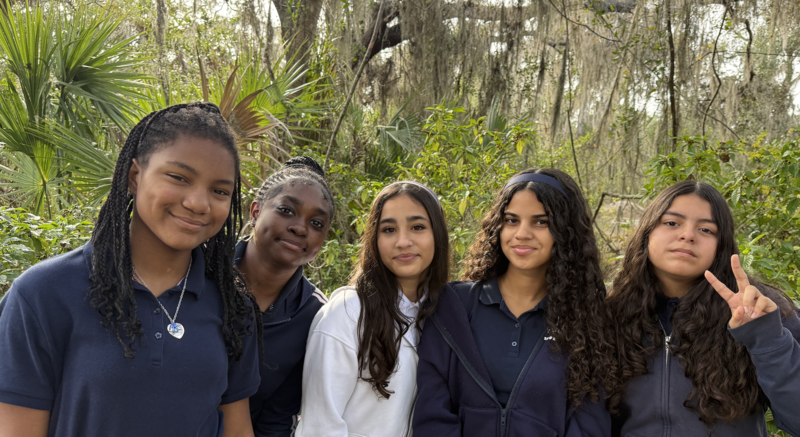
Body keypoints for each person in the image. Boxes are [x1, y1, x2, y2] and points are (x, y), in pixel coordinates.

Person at [0, 103, 261, 437]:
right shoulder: (43, 295)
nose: (199, 203)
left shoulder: (233, 307)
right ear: (135, 176)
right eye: (179, 178)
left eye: (219, 191)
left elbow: (236, 429)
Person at [414, 169, 613, 437]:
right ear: (498, 226)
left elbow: (589, 425)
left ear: (566, 232)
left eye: (540, 222)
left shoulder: (586, 320)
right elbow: (432, 412)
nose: (522, 233)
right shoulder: (455, 306)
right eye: (512, 220)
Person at [606, 180, 800, 436]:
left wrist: (766, 338)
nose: (688, 235)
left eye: (706, 229)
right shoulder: (612, 315)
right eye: (672, 223)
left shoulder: (760, 310)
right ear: (647, 233)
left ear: (722, 245)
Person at [294, 181, 450, 437]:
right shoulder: (349, 312)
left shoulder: (442, 314)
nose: (402, 241)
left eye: (418, 227)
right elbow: (320, 427)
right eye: (388, 229)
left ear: (438, 234)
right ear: (374, 239)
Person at [235, 156, 333, 437]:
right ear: (255, 211)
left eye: (316, 223)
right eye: (286, 210)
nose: (300, 228)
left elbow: (277, 418)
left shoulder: (315, 316)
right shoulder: (199, 275)